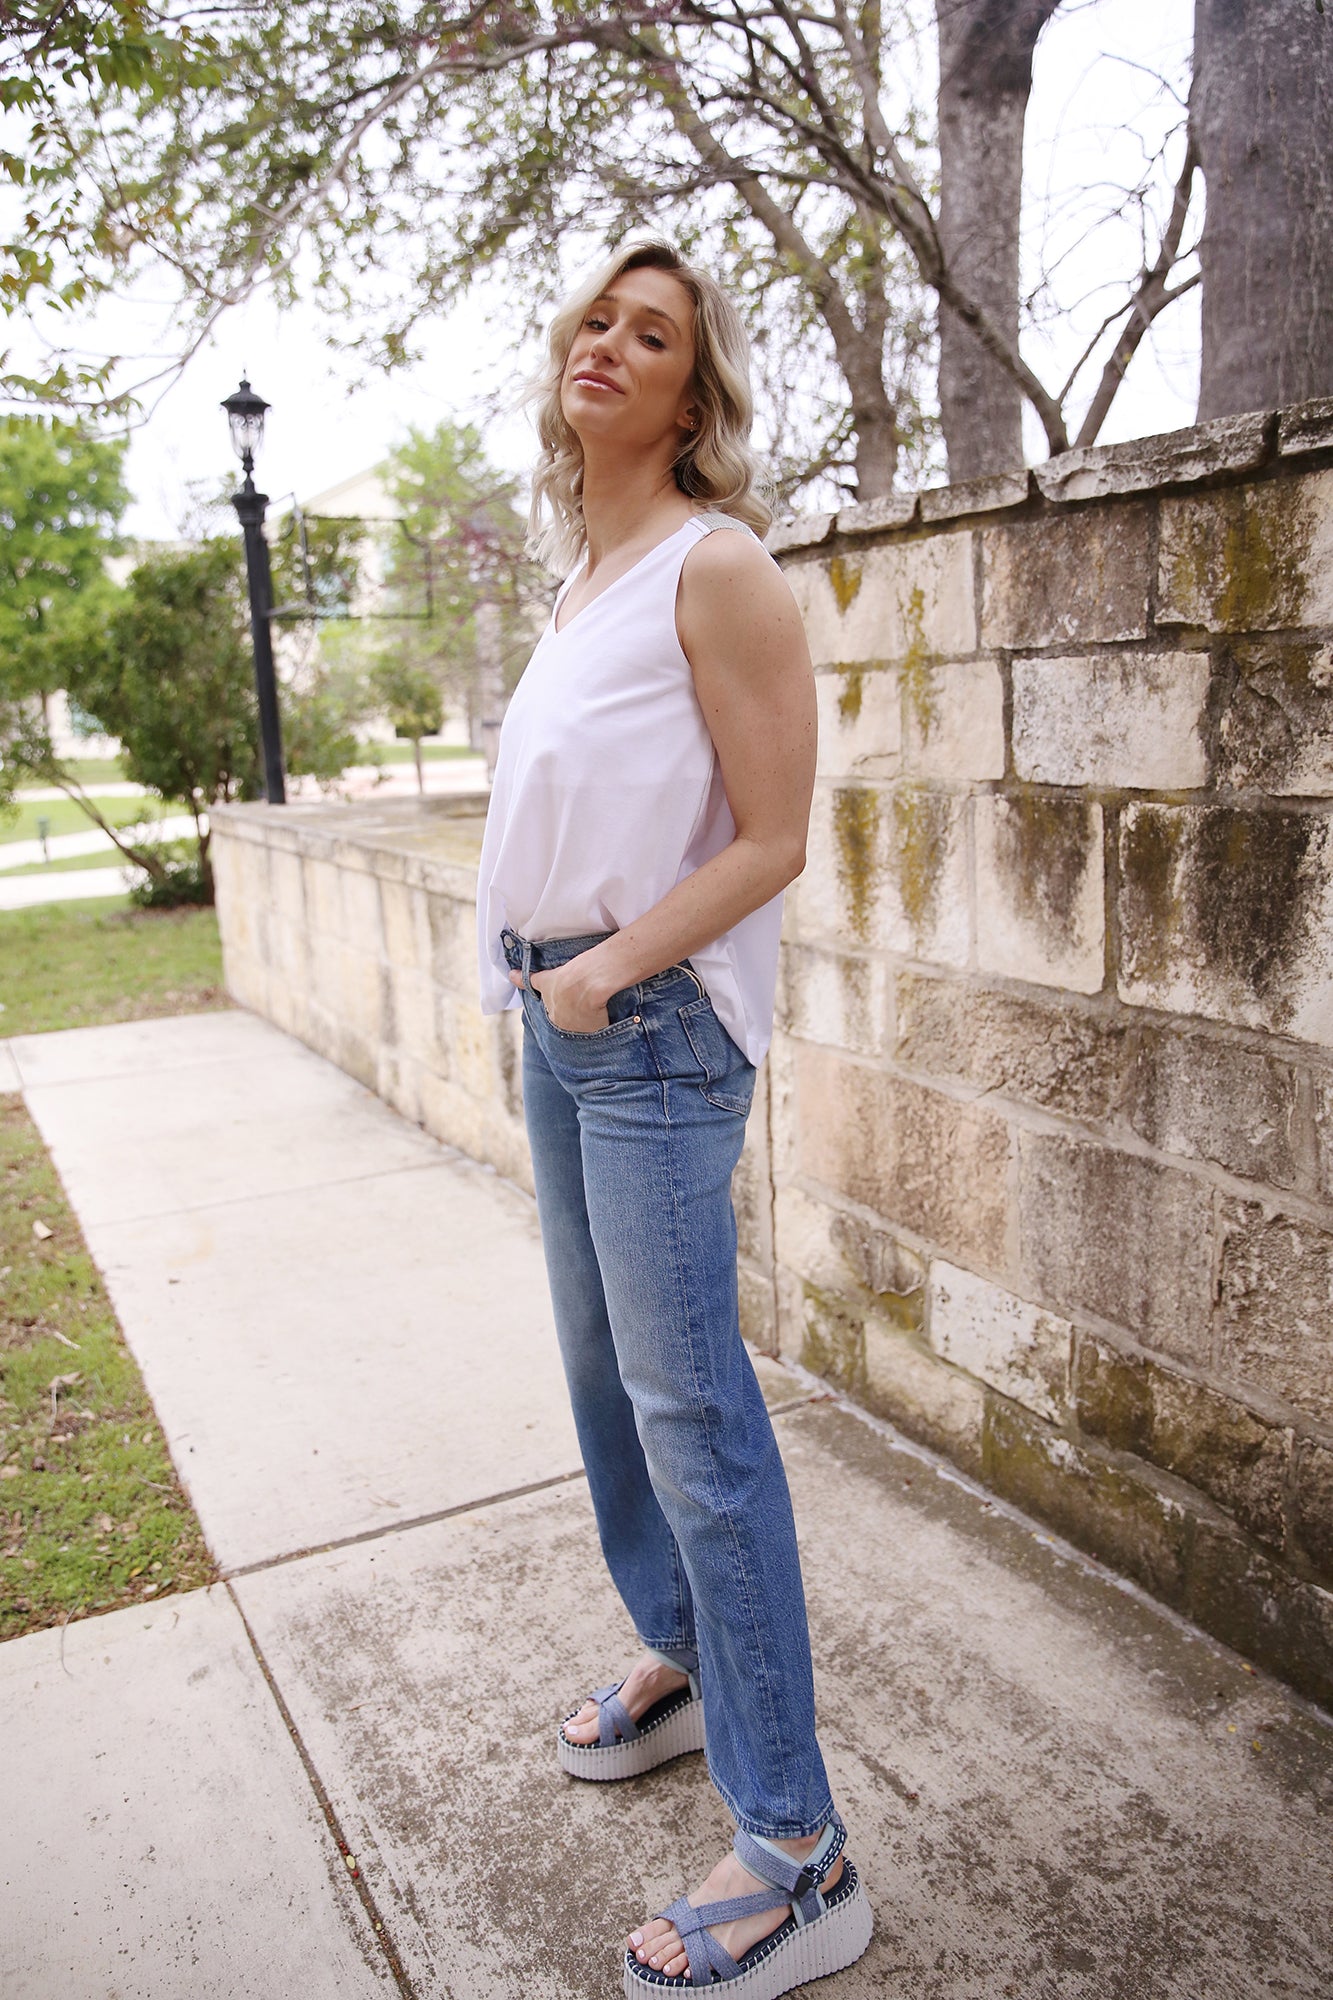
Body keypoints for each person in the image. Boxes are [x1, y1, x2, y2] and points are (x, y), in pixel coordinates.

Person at [476, 239, 872, 1997]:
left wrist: (602, 974)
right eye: (597, 319)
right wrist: (537, 986)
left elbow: (773, 837)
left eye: (653, 336)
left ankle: (798, 1851)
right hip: (560, 1023)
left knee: (696, 1421)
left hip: (642, 1035)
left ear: (692, 399)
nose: (610, 345)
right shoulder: (584, 579)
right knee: (606, 1390)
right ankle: (682, 1653)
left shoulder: (718, 569)